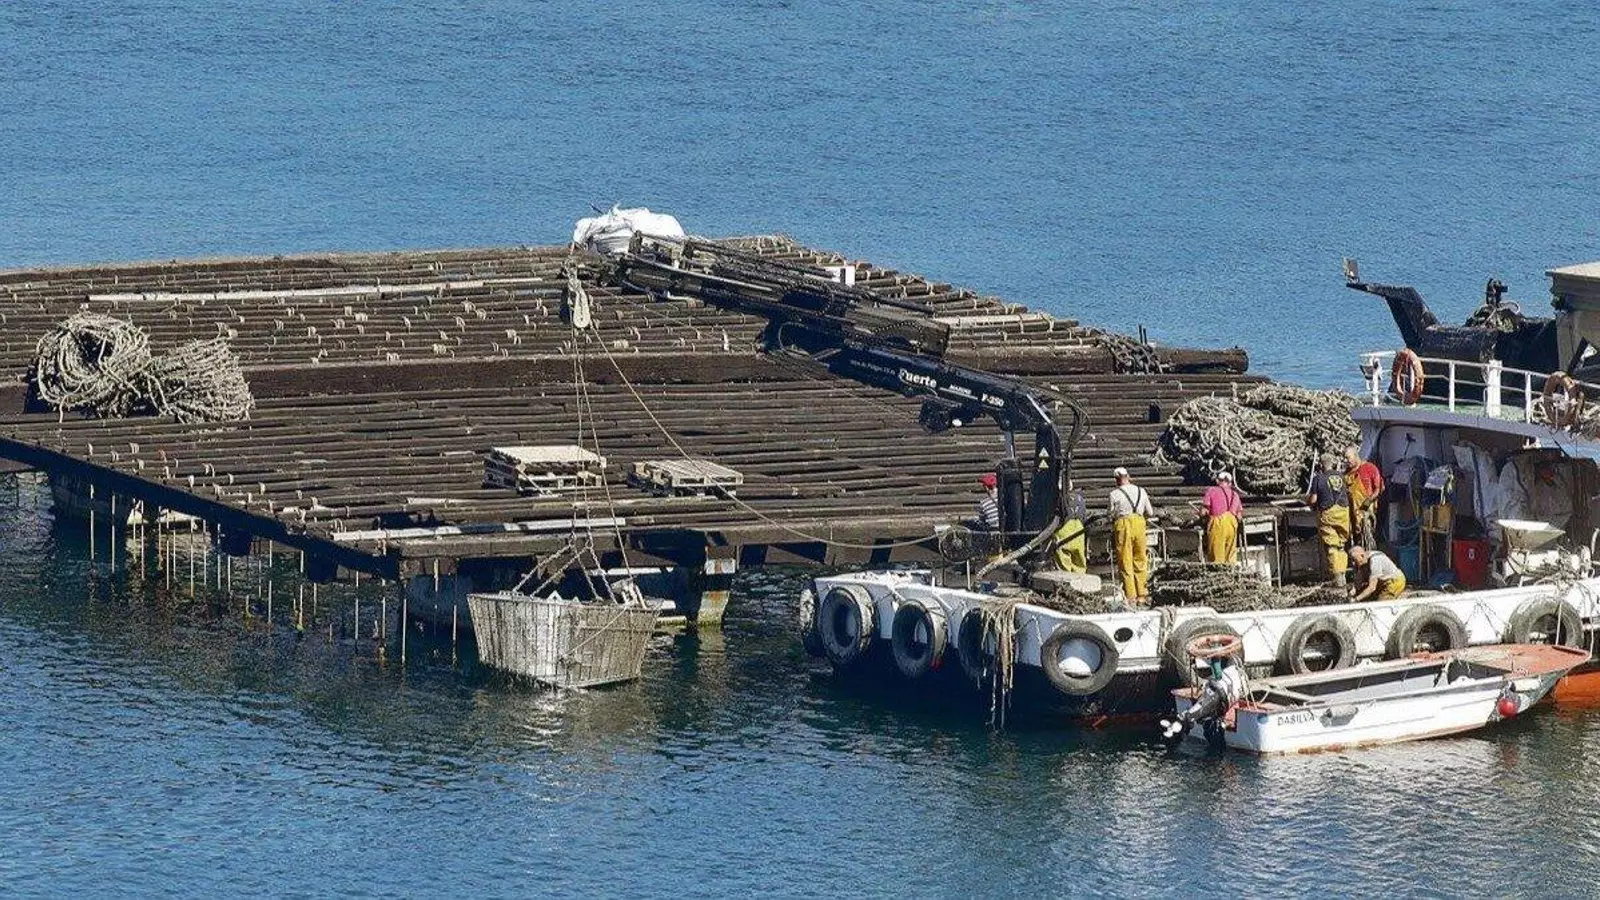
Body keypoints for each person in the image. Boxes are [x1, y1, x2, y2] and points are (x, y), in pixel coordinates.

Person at [1109, 466, 1154, 604]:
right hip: (1140, 523)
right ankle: (1142, 594)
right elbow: (1150, 512)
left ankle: (1130, 596)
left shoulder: (1114, 494)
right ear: (1128, 476)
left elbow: (1111, 514)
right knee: (1140, 559)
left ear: (1117, 479)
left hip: (1123, 524)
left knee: (1125, 560)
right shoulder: (1141, 491)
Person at [1307, 453, 1352, 587]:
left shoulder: (1318, 478)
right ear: (1332, 464)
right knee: (1341, 544)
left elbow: (1313, 500)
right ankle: (1343, 575)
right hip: (1343, 512)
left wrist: (1308, 503)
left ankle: (1337, 577)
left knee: (1332, 545)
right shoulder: (1341, 476)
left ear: (1321, 465)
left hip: (1328, 513)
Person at [1345, 445, 1385, 550]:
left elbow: (1378, 489)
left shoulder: (1370, 468)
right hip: (1352, 514)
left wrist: (1368, 501)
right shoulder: (1347, 473)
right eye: (1345, 458)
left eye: (1348, 458)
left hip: (1366, 513)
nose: (1346, 461)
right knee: (1356, 542)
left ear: (1355, 455)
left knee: (1367, 540)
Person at [1200, 471, 1243, 564]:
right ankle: (1231, 571)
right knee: (1230, 557)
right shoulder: (1235, 495)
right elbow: (1239, 517)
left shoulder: (1212, 491)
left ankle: (1218, 572)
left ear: (1217, 481)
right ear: (1230, 483)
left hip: (1218, 525)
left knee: (1216, 558)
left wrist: (1202, 517)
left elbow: (1204, 511)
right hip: (1232, 526)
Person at [1052, 481, 1088, 573]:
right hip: (1079, 530)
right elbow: (1084, 516)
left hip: (1064, 529)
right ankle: (1080, 577)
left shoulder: (1058, 499)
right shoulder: (1080, 498)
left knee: (1063, 556)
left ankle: (1066, 577)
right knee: (1079, 557)